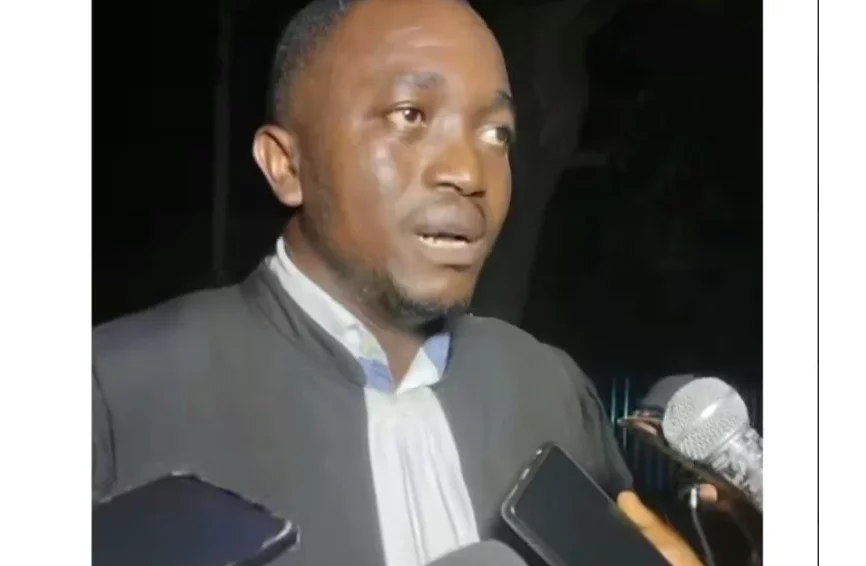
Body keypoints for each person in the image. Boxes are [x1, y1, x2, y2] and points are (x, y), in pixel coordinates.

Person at [92, 0, 703, 565]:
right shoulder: (114, 396)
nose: (469, 173)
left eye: (496, 133)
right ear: (285, 164)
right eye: (410, 116)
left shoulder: (551, 391)